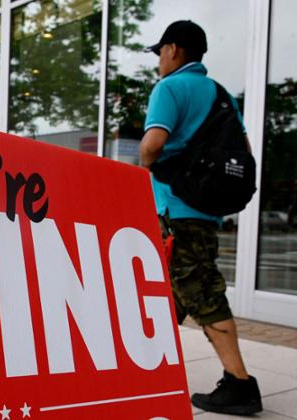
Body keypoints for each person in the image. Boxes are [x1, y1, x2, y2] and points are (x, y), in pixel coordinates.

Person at [139, 20, 263, 416]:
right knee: (170, 292)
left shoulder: (169, 88)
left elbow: (151, 147)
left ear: (173, 49)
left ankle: (239, 384)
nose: (159, 59)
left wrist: (146, 164)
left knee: (203, 294)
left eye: (160, 51)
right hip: (205, 212)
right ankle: (150, 367)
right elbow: (241, 148)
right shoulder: (220, 94)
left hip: (177, 213)